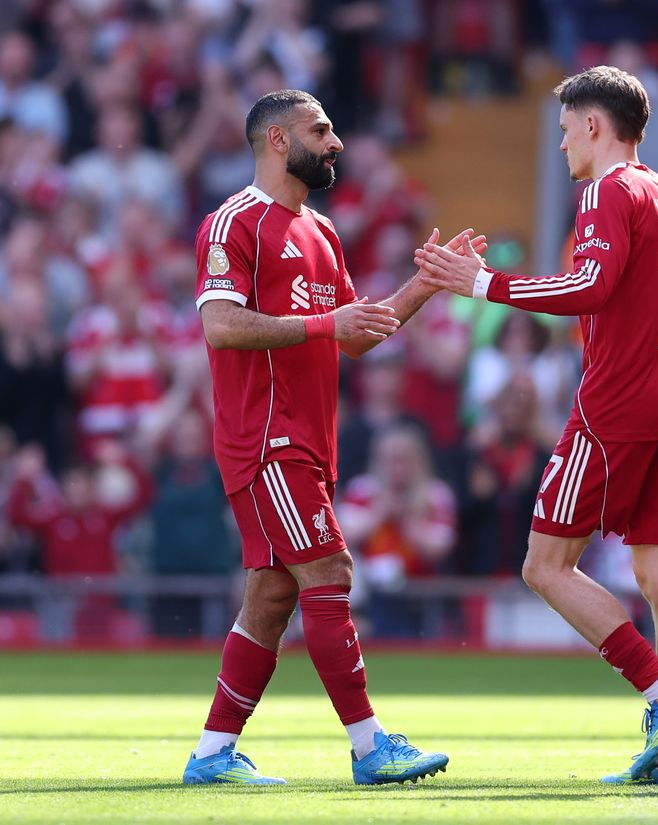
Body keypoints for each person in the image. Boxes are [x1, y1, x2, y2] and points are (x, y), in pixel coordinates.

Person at [415, 65, 658, 785]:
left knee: (544, 564)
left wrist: (482, 284)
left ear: (592, 125)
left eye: (563, 131)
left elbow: (590, 285)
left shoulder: (607, 191)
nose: (560, 147)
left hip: (616, 403)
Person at [183, 89, 483, 786]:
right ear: (278, 141)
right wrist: (325, 326)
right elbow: (220, 326)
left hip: (309, 441)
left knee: (272, 595)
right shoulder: (235, 222)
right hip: (266, 438)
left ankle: (212, 753)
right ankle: (370, 744)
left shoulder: (319, 231)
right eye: (322, 129)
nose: (337, 141)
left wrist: (425, 285)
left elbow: (358, 333)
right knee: (330, 574)